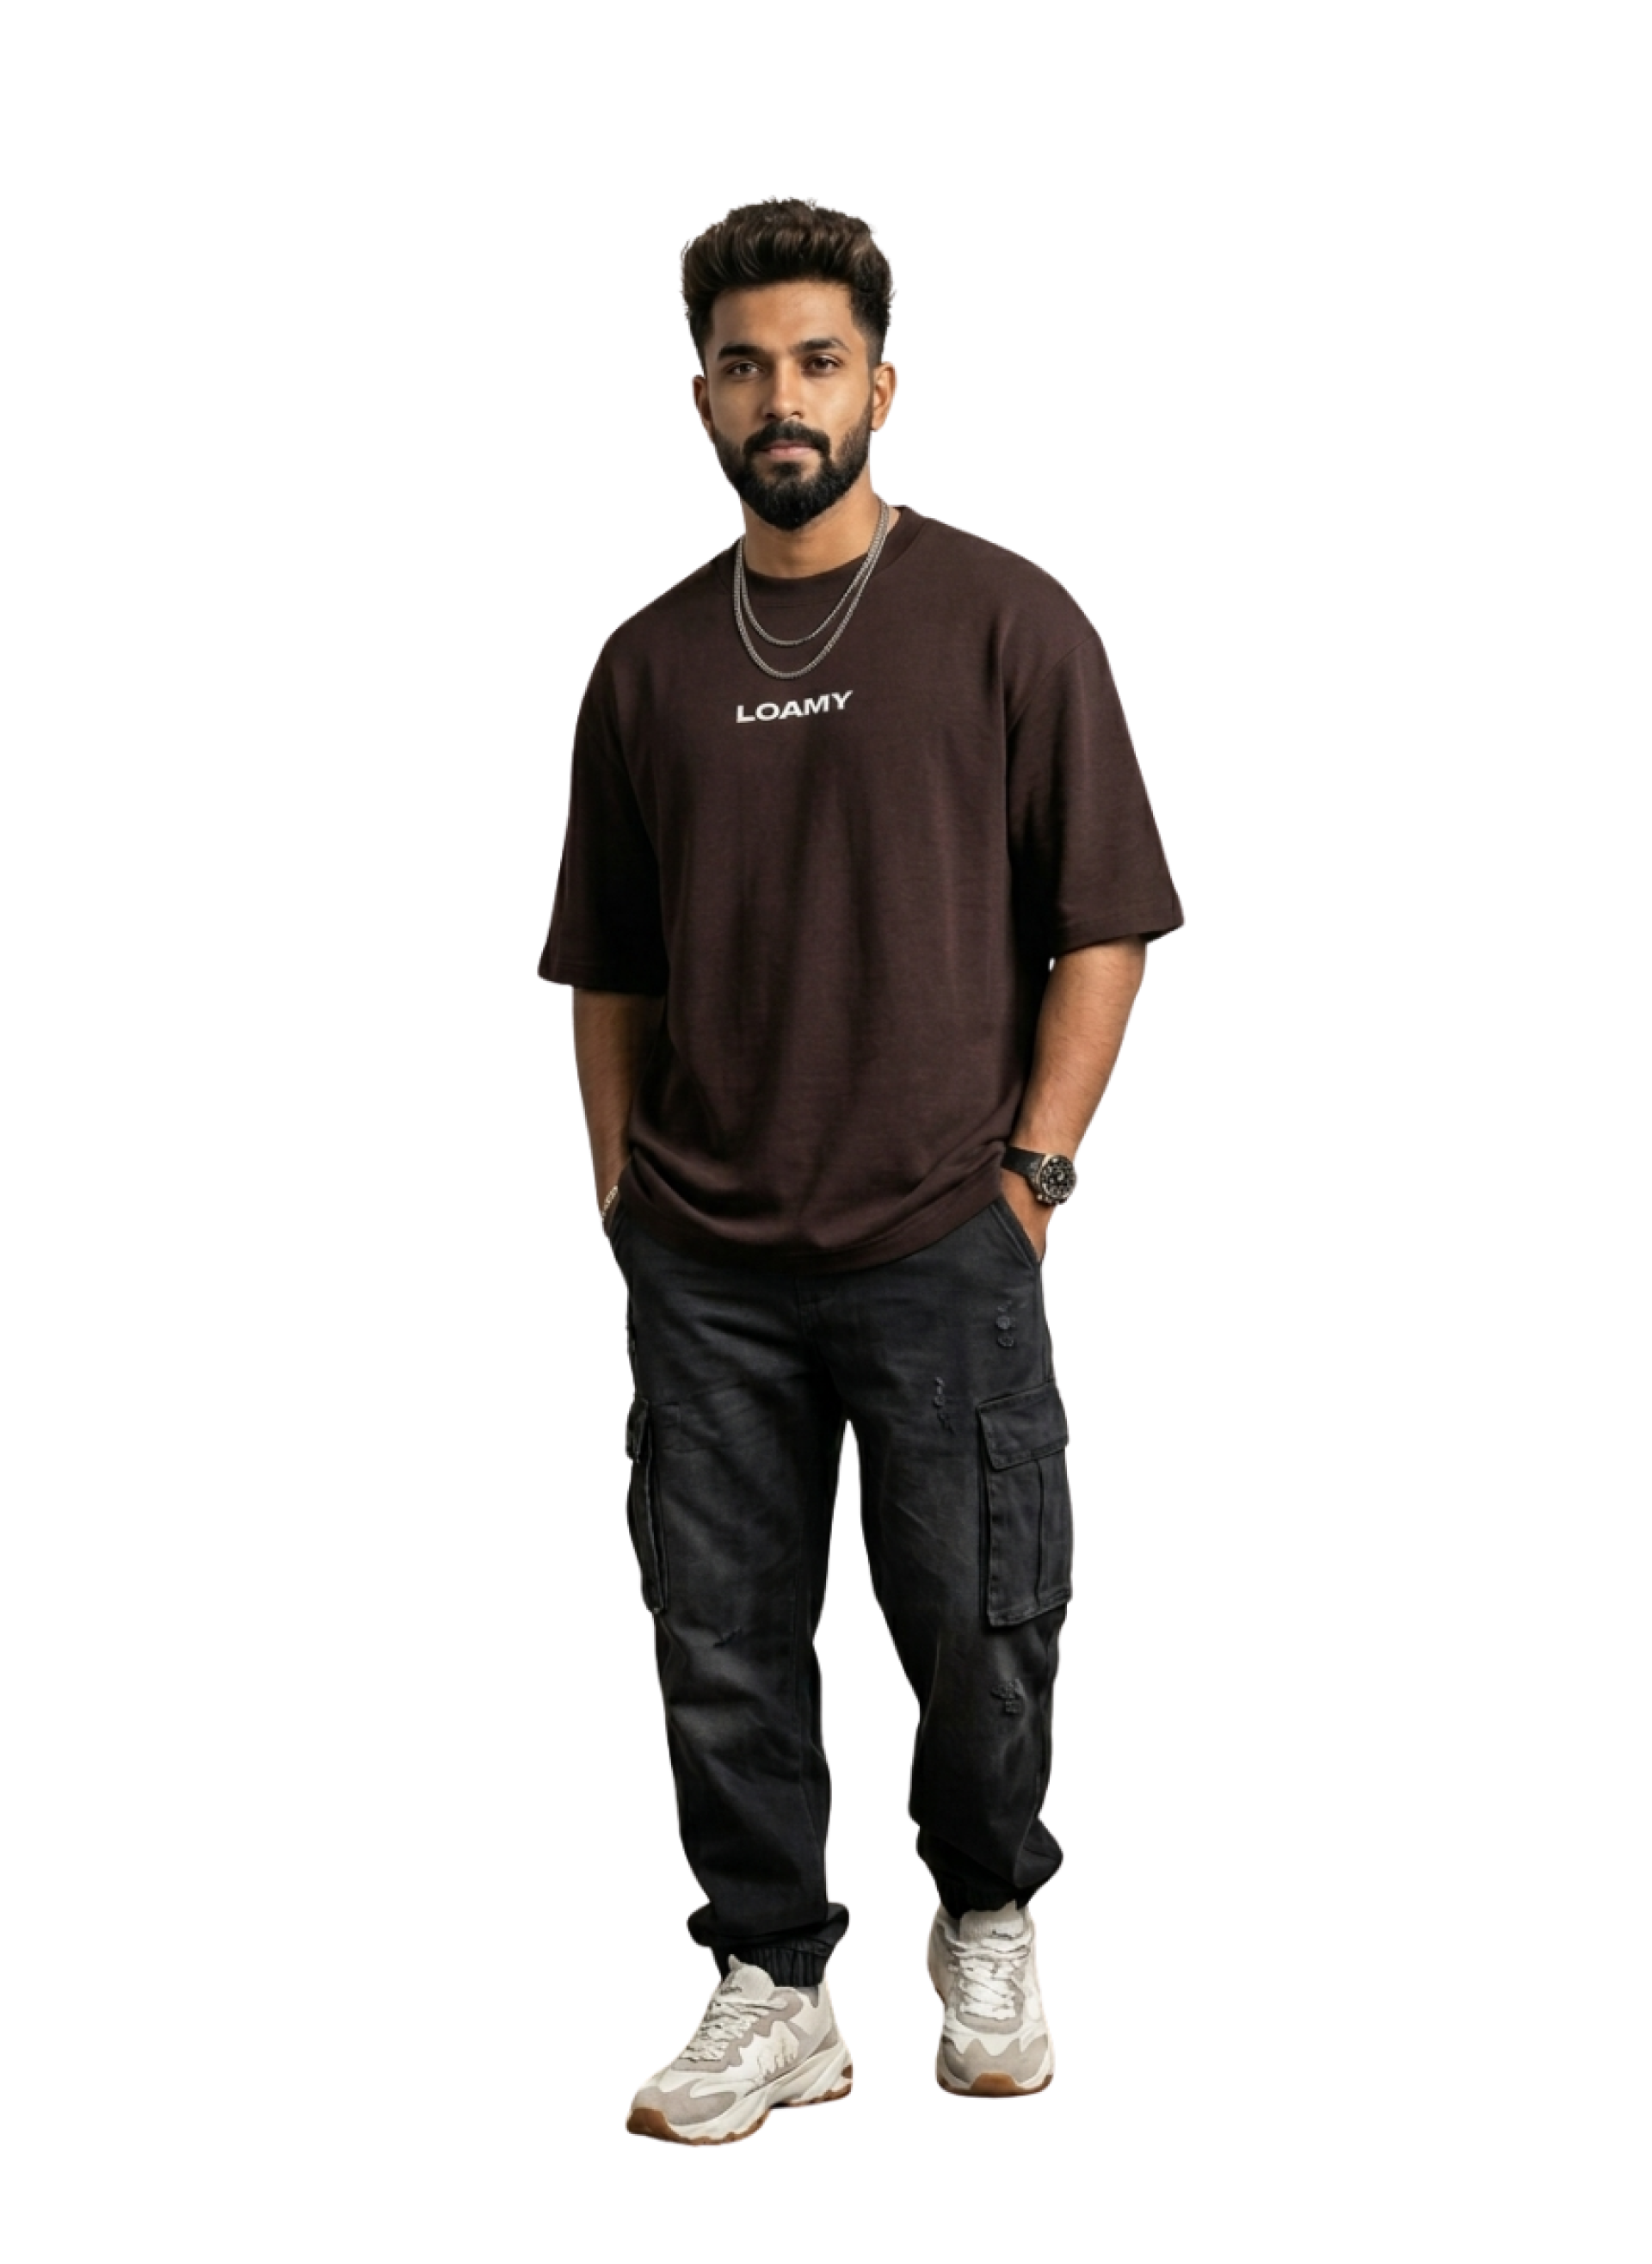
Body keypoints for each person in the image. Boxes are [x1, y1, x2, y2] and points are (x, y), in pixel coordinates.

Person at [537, 199, 1183, 2144]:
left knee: (983, 1620)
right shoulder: (647, 666)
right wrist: (623, 1197)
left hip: (939, 1236)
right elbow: (611, 966)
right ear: (702, 398)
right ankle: (772, 1984)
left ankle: (987, 1917)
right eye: (745, 365)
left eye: (818, 360)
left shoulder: (1006, 622)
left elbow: (1103, 925)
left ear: (881, 385)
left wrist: (1033, 1176)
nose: (783, 398)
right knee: (718, 1638)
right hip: (708, 1259)